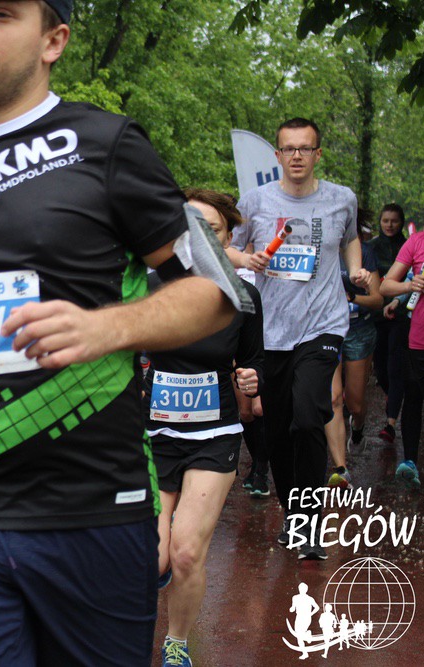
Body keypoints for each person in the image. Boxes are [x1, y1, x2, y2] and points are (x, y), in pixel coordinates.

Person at [0, 2, 240, 665]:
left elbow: (218, 292)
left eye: (0, 12)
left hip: (91, 509)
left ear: (53, 40)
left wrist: (108, 326)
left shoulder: (109, 143)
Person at [229, 117, 369, 560]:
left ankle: (309, 523)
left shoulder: (341, 199)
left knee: (309, 416)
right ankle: (294, 514)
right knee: (277, 430)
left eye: (305, 148)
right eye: (288, 148)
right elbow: (226, 246)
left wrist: (356, 270)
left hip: (323, 325)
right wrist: (246, 259)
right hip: (271, 330)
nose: (296, 156)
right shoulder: (255, 201)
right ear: (277, 155)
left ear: (317, 154)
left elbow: (350, 239)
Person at [148, 189, 264, 666]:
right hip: (153, 436)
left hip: (214, 435)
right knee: (152, 557)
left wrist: (252, 380)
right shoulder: (150, 286)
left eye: (211, 229)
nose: (198, 236)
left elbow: (255, 363)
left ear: (228, 238)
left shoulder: (244, 296)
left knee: (186, 552)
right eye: (189, 226)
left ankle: (176, 643)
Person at [325, 236, 381, 488]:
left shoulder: (364, 252)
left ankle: (358, 427)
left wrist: (351, 297)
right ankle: (341, 468)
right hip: (327, 330)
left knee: (355, 404)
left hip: (358, 330)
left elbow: (377, 299)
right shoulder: (319, 248)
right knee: (334, 398)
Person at [379, 213, 424, 490]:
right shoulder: (417, 242)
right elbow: (386, 285)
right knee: (413, 392)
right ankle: (410, 461)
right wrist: (411, 285)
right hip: (420, 336)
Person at [371, 204, 407, 442]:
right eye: (386, 220)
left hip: (401, 314)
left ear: (401, 222)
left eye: (394, 221)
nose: (390, 225)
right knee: (380, 369)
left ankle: (390, 423)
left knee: (396, 367)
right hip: (375, 315)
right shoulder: (372, 247)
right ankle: (391, 395)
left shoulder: (408, 246)